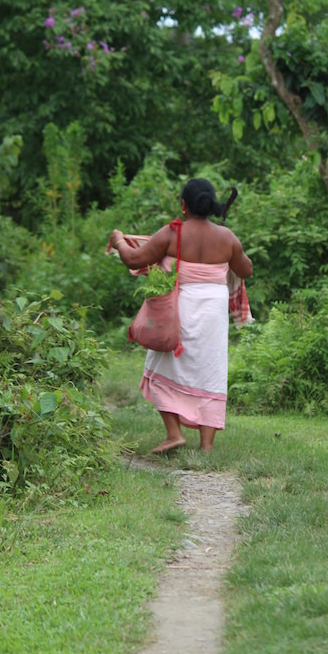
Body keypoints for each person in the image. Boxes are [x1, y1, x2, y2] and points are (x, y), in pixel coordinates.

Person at [108, 178, 253, 453]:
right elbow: (246, 270)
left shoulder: (173, 233)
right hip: (213, 313)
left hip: (179, 308)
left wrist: (118, 241)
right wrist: (231, 251)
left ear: (183, 206)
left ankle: (174, 434)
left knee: (161, 365)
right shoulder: (228, 238)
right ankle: (206, 446)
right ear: (211, 206)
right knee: (210, 370)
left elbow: (134, 260)